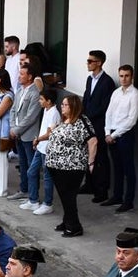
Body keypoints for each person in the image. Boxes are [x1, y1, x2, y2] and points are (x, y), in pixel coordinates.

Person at [44, 94, 97, 238]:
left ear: (73, 106)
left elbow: (93, 142)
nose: (62, 107)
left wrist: (91, 162)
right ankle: (67, 220)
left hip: (72, 166)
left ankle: (74, 226)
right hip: (56, 165)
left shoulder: (82, 121)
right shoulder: (64, 120)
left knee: (69, 196)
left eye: (65, 105)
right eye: (62, 104)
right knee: (63, 195)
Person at [100, 65, 138, 213]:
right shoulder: (116, 92)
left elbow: (131, 120)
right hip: (111, 133)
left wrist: (114, 135)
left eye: (127, 76)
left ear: (132, 77)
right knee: (117, 167)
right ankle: (117, 196)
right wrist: (107, 133)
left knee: (128, 168)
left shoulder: (135, 95)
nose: (124, 79)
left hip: (125, 135)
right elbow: (109, 113)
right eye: (121, 76)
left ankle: (128, 201)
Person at [81, 49, 118, 203]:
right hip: (88, 122)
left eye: (90, 61)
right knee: (88, 153)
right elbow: (86, 98)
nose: (88, 63)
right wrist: (82, 115)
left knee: (100, 156)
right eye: (88, 61)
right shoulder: (90, 79)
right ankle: (89, 184)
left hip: (100, 124)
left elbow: (105, 106)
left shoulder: (107, 82)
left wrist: (89, 115)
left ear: (99, 63)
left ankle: (101, 190)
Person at [25, 86, 62, 215]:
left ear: (49, 101)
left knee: (47, 177)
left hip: (47, 150)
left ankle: (47, 204)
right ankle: (33, 200)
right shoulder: (46, 110)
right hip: (41, 148)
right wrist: (38, 142)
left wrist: (38, 139)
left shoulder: (54, 113)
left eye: (41, 99)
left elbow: (50, 134)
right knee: (31, 172)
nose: (39, 101)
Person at [8, 63, 41, 201]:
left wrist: (16, 129)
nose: (19, 76)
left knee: (31, 166)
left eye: (22, 74)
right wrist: (12, 127)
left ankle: (33, 194)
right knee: (22, 163)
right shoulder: (19, 91)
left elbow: (31, 117)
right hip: (18, 134)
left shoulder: (35, 93)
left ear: (30, 76)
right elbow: (13, 110)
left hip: (29, 135)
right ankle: (23, 189)